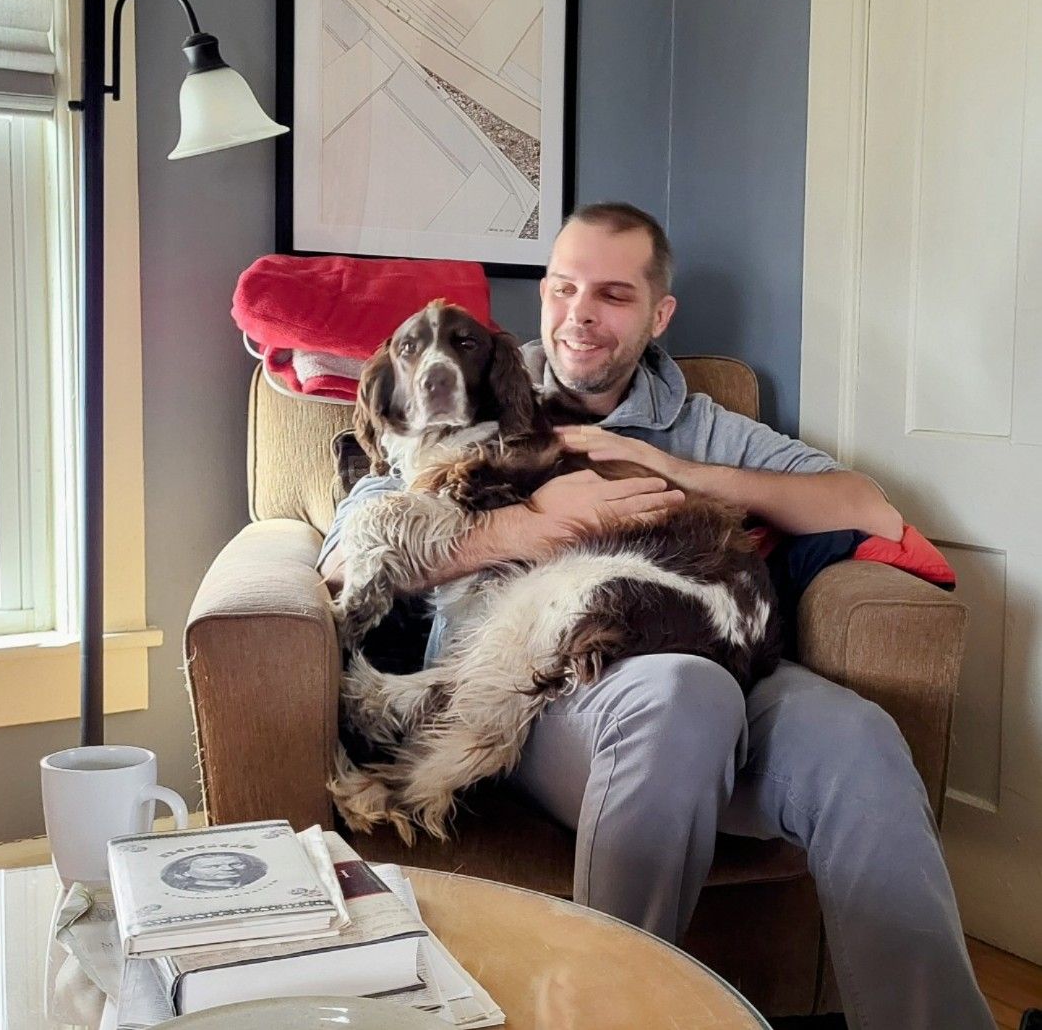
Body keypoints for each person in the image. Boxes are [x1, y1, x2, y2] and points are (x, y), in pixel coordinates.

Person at [318, 202, 994, 1030]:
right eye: (564, 289)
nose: (579, 317)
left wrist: (673, 466)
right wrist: (529, 528)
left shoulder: (704, 423)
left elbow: (866, 506)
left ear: (658, 313)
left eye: (611, 295)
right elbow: (353, 558)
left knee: (860, 739)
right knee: (683, 696)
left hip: (723, 654)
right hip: (543, 684)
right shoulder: (475, 391)